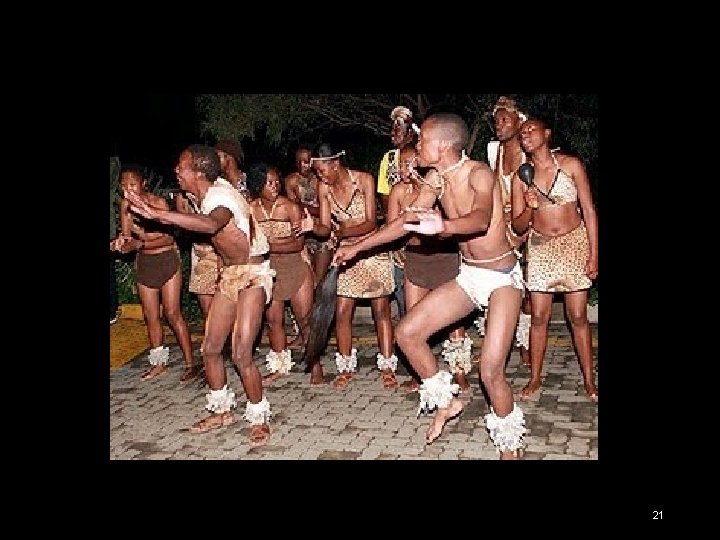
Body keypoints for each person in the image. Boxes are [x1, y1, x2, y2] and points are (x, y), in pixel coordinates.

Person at [333, 113, 527, 459]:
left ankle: (509, 450)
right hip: (470, 276)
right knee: (407, 333)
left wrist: (444, 227)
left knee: (490, 372)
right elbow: (405, 221)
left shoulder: (478, 173)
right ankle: (447, 403)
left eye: (422, 140)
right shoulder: (436, 178)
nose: (416, 144)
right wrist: (357, 247)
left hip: (501, 278)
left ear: (442, 145)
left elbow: (481, 219)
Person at [124, 145, 275, 446]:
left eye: (182, 167)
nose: (176, 171)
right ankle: (221, 411)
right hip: (231, 275)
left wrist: (159, 214)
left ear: (199, 172)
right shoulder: (204, 193)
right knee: (210, 348)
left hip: (253, 274)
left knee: (241, 353)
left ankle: (259, 417)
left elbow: (212, 224)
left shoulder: (219, 197)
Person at [511, 116, 598, 402]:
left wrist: (594, 254)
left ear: (546, 133)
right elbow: (518, 226)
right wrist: (530, 207)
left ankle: (589, 379)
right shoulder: (521, 176)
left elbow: (589, 210)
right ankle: (535, 377)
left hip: (574, 242)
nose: (525, 134)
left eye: (531, 129)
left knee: (578, 316)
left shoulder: (570, 165)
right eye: (522, 132)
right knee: (539, 316)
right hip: (541, 247)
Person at [299, 143, 398, 389]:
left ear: (335, 164)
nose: (319, 176)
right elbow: (325, 228)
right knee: (342, 311)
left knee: (381, 311)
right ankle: (345, 367)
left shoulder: (364, 180)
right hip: (345, 253)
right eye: (317, 171)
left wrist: (342, 231)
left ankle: (387, 367)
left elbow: (371, 223)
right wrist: (313, 228)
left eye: (322, 170)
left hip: (372, 248)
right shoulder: (324, 188)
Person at [388, 143, 472, 394]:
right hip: (416, 259)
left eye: (408, 163)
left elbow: (453, 222)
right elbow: (393, 228)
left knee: (454, 321)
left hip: (444, 257)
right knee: (413, 318)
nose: (403, 169)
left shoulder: (439, 186)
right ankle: (421, 375)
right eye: (400, 164)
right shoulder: (399, 192)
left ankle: (459, 372)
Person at [109, 164, 199, 383]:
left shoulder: (158, 204)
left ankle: (190, 364)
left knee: (172, 313)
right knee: (151, 316)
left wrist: (140, 242)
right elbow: (129, 239)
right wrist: (120, 244)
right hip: (145, 263)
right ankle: (158, 363)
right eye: (123, 185)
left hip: (167, 260)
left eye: (132, 184)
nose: (128, 189)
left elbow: (168, 239)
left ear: (143, 184)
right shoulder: (125, 205)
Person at [247, 163, 323, 385]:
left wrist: (266, 245)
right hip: (269, 270)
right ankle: (280, 366)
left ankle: (315, 366)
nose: (275, 186)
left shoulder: (289, 207)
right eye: (269, 183)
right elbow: (248, 242)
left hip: (295, 266)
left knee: (305, 321)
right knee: (274, 321)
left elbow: (297, 244)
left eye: (276, 181)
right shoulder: (251, 209)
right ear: (257, 185)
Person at [476, 96, 532, 367]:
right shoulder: (493, 151)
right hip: (503, 227)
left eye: (504, 120)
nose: (498, 125)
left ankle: (526, 344)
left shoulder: (529, 151)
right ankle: (497, 346)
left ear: (519, 121)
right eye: (496, 121)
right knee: (498, 285)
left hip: (530, 223)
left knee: (529, 292)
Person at [377, 106, 418, 320]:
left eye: (399, 130)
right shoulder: (389, 159)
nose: (394, 134)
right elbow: (385, 195)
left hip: (419, 228)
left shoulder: (421, 156)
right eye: (392, 129)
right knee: (401, 285)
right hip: (397, 226)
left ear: (410, 133)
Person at [285, 145, 333, 286]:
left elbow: (329, 211)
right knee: (308, 278)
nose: (302, 165)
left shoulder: (322, 179)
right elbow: (294, 210)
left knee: (320, 278)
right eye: (298, 161)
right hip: (304, 234)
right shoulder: (291, 180)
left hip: (323, 232)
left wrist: (305, 208)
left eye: (306, 161)